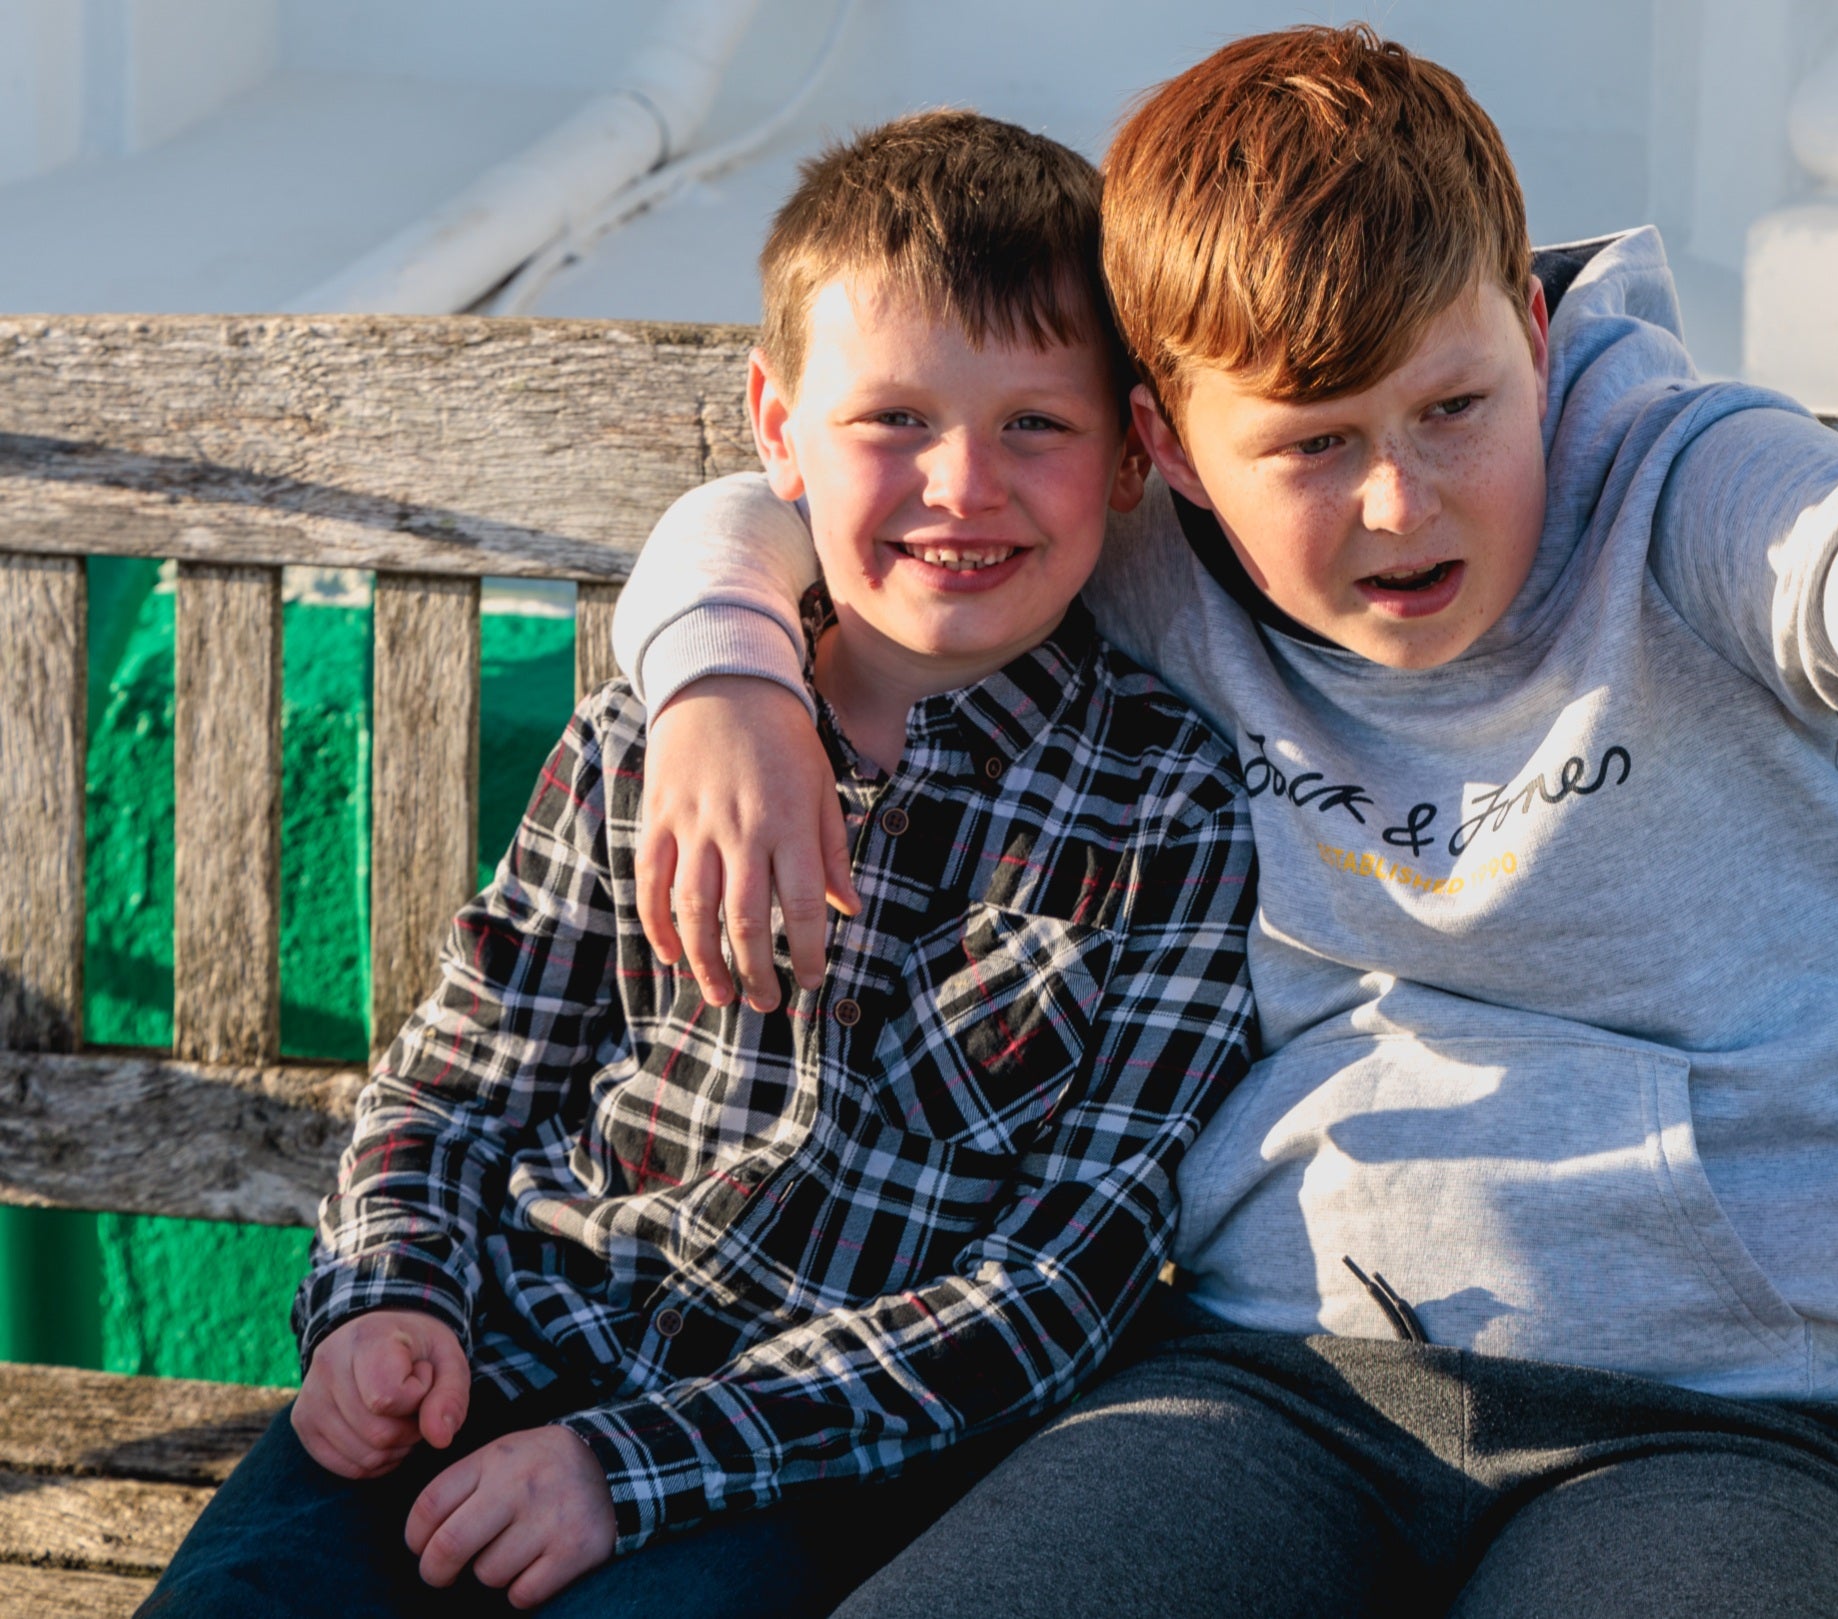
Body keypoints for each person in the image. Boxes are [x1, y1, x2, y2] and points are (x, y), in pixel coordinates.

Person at [613, 28, 1838, 1619]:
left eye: (1453, 408)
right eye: (1313, 445)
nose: (1399, 497)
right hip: (1263, 1385)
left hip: (1724, 1429)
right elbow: (794, 519)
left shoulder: (1673, 493)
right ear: (1174, 449)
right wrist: (728, 682)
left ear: (1531, 328)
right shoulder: (1149, 563)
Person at [135, 110, 1257, 1617]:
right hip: (502, 1352)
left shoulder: (1163, 811)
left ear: (1129, 451)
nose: (965, 486)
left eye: (1034, 427)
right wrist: (384, 1301)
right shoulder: (650, 734)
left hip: (808, 1458)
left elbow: (1059, 1284)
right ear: (779, 426)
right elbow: (457, 1082)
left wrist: (634, 1466)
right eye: (894, 422)